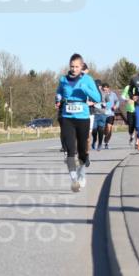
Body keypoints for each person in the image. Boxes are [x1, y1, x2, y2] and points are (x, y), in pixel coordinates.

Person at [56, 54, 101, 192]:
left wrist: (85, 89)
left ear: (82, 67)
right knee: (70, 150)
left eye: (77, 66)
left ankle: (82, 174)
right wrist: (58, 99)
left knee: (82, 150)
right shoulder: (63, 79)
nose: (74, 69)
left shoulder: (87, 80)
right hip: (67, 117)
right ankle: (74, 180)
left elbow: (97, 97)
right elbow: (58, 93)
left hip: (82, 117)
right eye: (72, 66)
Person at [99, 83, 120, 149]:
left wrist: (115, 106)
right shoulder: (100, 94)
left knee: (109, 128)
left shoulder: (113, 94)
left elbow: (117, 101)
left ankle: (106, 142)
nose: (105, 88)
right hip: (102, 114)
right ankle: (104, 138)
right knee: (103, 129)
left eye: (106, 87)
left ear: (108, 88)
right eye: (103, 87)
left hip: (110, 114)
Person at [90, 82, 108, 151]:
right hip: (94, 114)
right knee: (94, 130)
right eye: (97, 86)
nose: (98, 87)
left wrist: (106, 105)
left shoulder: (105, 94)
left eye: (99, 86)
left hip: (102, 114)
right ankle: (94, 139)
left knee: (100, 130)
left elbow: (109, 103)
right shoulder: (91, 93)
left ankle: (100, 144)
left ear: (101, 86)